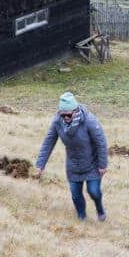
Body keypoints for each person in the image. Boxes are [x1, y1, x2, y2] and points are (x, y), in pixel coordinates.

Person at [36, 92, 108, 221]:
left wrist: (103, 165)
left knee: (94, 191)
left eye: (68, 114)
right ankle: (82, 219)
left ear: (75, 111)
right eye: (62, 115)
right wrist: (40, 165)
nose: (65, 118)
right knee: (75, 195)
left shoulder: (89, 121)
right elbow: (48, 143)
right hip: (73, 165)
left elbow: (101, 143)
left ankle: (100, 210)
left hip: (92, 163)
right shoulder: (57, 122)